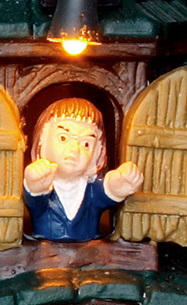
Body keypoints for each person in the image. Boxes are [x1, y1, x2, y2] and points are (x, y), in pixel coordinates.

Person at [21, 97, 146, 242]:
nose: (74, 149)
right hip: (45, 248)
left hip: (89, 250)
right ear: (42, 139)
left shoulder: (91, 188)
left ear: (97, 151)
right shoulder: (45, 186)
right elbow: (35, 201)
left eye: (86, 144)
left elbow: (106, 192)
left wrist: (119, 184)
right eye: (63, 138)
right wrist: (34, 185)